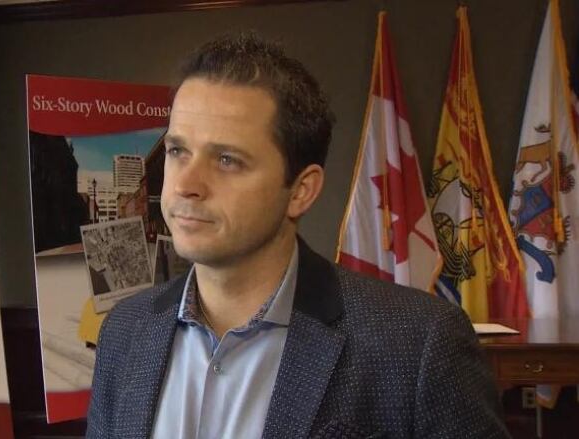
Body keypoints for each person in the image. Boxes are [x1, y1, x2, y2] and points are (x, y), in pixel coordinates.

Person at [87, 32, 509, 439]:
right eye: (178, 151)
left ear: (301, 191)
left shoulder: (418, 345)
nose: (185, 184)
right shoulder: (125, 331)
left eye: (227, 159)